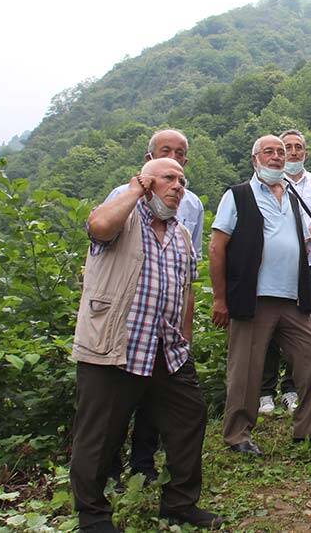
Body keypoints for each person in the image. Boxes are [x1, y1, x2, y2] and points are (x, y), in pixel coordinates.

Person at [70, 158, 219, 532]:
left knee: (189, 417)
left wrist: (185, 338)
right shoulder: (123, 218)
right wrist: (135, 190)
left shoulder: (181, 234)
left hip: (166, 350)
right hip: (115, 346)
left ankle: (180, 504)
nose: (178, 186)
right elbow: (98, 226)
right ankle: (93, 518)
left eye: (182, 181)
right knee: (99, 435)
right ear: (145, 181)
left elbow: (185, 291)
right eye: (168, 178)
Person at [210, 135, 311, 457]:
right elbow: (217, 246)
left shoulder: (291, 197)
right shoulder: (237, 195)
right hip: (254, 297)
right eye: (270, 152)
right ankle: (237, 435)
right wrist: (220, 299)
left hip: (292, 298)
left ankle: (308, 427)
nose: (278, 156)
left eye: (281, 152)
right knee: (246, 368)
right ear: (255, 159)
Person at [103, 129, 205, 482]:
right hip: (126, 332)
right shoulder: (124, 198)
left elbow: (188, 278)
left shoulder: (191, 206)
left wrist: (185, 336)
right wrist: (136, 191)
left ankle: (145, 468)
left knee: (162, 409)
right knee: (114, 412)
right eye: (166, 153)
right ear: (148, 161)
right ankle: (108, 478)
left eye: (181, 156)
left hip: (167, 332)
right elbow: (101, 233)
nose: (175, 160)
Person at [257, 128, 311, 415]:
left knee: (304, 324)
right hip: (278, 268)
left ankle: (291, 387)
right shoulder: (271, 183)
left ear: (306, 152)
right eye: (288, 147)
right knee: (271, 325)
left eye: (298, 147)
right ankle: (266, 391)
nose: (294, 152)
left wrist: (301, 237)